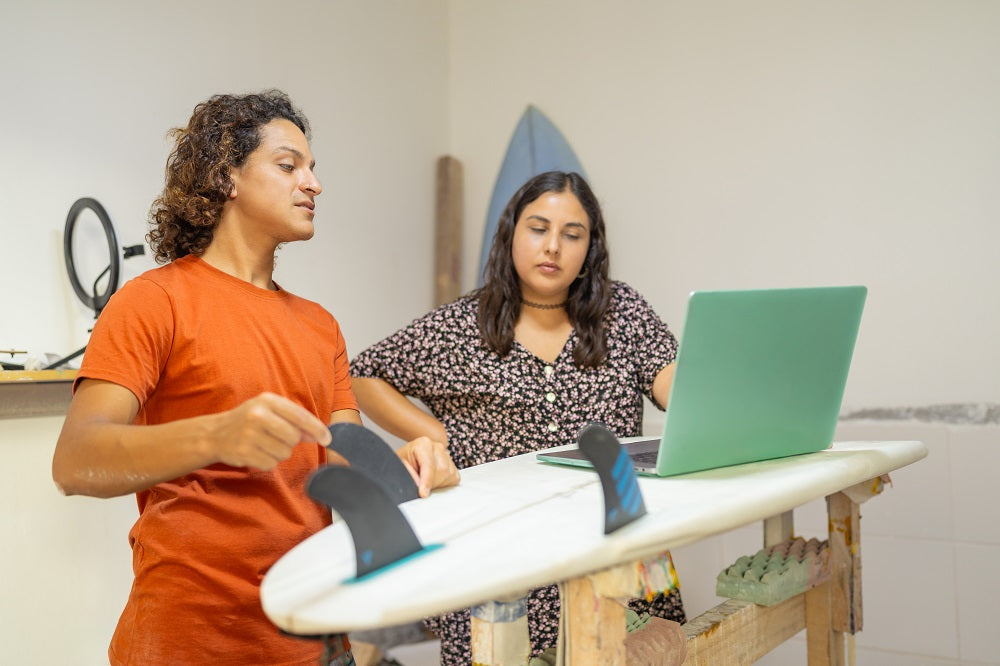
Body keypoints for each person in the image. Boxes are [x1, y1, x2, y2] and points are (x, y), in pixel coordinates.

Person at [51, 90, 459, 666]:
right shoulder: (152, 302)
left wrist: (409, 464)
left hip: (315, 636)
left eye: (313, 168)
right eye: (289, 165)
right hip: (188, 644)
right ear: (227, 177)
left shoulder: (320, 325)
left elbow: (341, 456)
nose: (313, 184)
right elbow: (75, 462)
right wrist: (217, 436)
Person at [350, 170, 686, 664]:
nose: (553, 246)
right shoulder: (460, 326)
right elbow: (363, 375)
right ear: (511, 234)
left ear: (590, 250)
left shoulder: (622, 312)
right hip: (496, 560)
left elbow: (674, 383)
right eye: (538, 228)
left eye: (573, 235)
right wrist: (437, 433)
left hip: (616, 556)